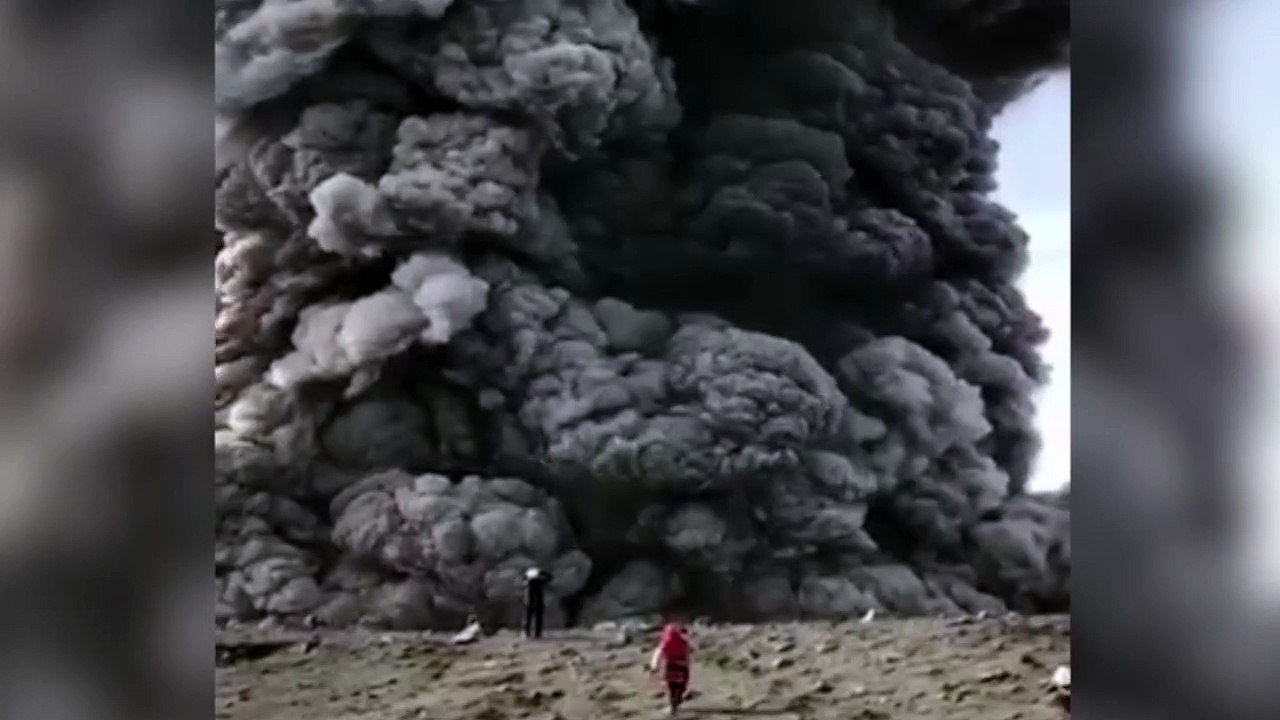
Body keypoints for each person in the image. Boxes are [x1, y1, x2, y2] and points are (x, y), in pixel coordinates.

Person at [648, 620, 692, 715]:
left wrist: (654, 666)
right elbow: (687, 655)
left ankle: (672, 705)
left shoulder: (665, 643)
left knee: (670, 687)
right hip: (681, 666)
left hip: (670, 666)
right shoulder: (684, 643)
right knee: (680, 687)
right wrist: (687, 668)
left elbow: (658, 653)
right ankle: (677, 700)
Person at [522, 567, 551, 638]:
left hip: (529, 602)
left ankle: (526, 633)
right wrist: (542, 573)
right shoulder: (540, 582)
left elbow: (523, 581)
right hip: (538, 602)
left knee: (528, 618)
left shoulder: (528, 582)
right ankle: (537, 634)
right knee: (538, 619)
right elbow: (549, 578)